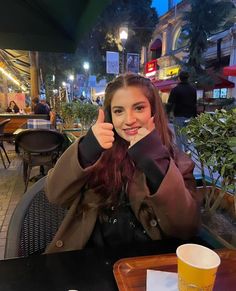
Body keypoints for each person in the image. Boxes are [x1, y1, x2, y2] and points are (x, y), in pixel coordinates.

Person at [45, 73, 201, 254]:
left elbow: (186, 228)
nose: (129, 120)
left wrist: (157, 162)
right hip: (90, 262)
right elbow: (54, 195)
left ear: (153, 111)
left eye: (139, 108)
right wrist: (85, 150)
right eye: (119, 111)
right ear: (110, 115)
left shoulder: (178, 162)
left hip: (146, 267)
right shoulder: (98, 155)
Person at [166, 71, 197, 151]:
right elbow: (194, 104)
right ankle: (187, 152)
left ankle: (180, 154)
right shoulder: (193, 90)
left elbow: (170, 104)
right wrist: (195, 116)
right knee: (186, 136)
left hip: (179, 116)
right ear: (187, 78)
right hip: (190, 117)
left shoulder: (175, 90)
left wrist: (166, 114)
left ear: (179, 78)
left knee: (179, 137)